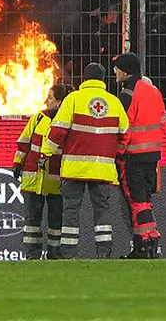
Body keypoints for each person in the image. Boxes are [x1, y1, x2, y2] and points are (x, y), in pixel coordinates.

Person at [45, 64, 128, 260]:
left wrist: (45, 152)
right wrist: (113, 153)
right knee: (102, 211)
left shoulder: (73, 99)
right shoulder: (114, 102)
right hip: (103, 170)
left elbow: (58, 131)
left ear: (84, 78)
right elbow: (125, 134)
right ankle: (104, 252)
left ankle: (68, 253)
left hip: (75, 169)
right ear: (102, 79)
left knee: (71, 210)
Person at [111, 51, 164, 258]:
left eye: (117, 69)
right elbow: (162, 122)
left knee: (136, 201)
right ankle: (149, 240)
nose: (115, 72)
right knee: (144, 200)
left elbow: (124, 129)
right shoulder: (153, 91)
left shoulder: (127, 95)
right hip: (152, 155)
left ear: (125, 72)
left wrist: (119, 153)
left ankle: (143, 244)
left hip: (132, 156)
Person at [14, 83, 68, 259]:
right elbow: (24, 142)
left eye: (50, 97)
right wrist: (17, 163)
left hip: (56, 182)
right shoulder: (37, 118)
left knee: (56, 222)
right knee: (32, 222)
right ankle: (32, 256)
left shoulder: (68, 123)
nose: (47, 101)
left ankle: (55, 256)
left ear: (59, 102)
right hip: (33, 179)